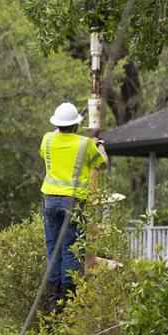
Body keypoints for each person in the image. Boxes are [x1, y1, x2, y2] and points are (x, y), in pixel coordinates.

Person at [40, 102, 107, 308]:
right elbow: (102, 164)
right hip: (73, 203)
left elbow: (55, 138)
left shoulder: (47, 139)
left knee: (53, 250)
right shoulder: (85, 144)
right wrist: (99, 143)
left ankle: (53, 303)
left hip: (50, 200)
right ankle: (68, 301)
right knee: (70, 250)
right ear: (76, 124)